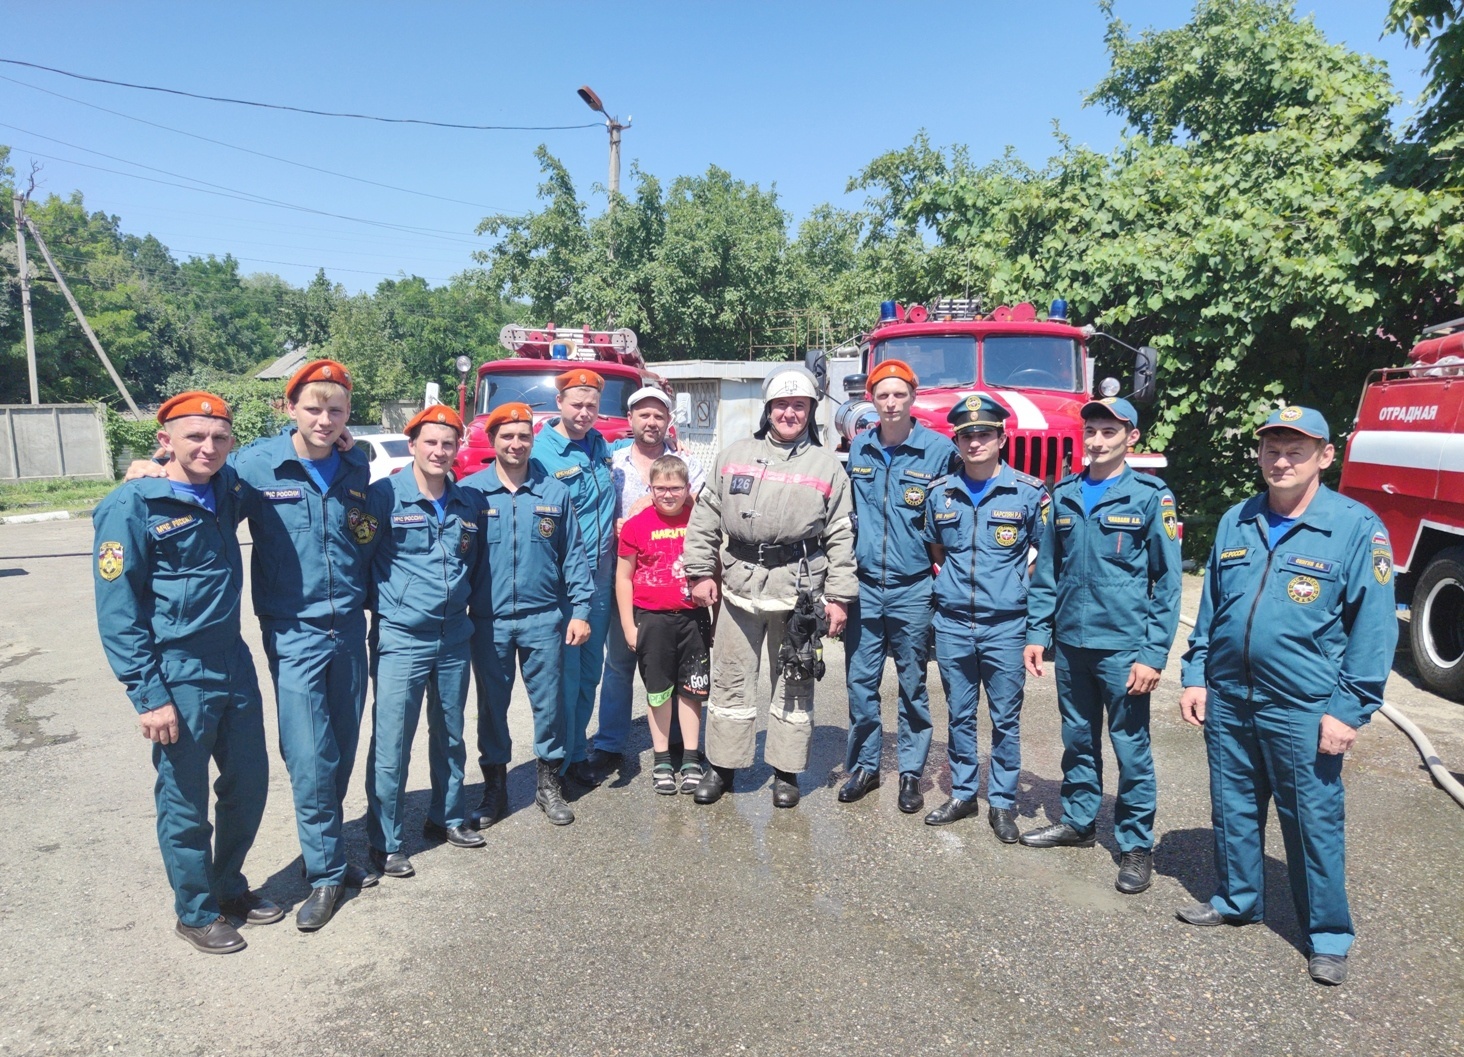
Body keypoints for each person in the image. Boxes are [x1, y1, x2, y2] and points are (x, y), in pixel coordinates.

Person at [1178, 406, 1397, 987]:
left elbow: (1374, 632)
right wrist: (1196, 671)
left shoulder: (1355, 528)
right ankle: (1237, 899)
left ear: (1325, 456)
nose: (1281, 460)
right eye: (1272, 448)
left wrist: (1348, 710)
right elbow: (1213, 611)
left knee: (1314, 823)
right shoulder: (1237, 520)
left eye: (1296, 450)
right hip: (1229, 696)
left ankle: (1327, 936)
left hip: (1304, 706)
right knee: (1234, 807)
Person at [94, 391, 280, 954]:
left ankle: (227, 886)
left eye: (220, 437)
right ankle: (195, 911)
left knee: (249, 785)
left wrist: (348, 447)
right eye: (195, 436)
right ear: (165, 439)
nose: (208, 446)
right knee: (184, 799)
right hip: (176, 671)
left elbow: (285, 458)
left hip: (232, 660)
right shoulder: (132, 505)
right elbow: (117, 611)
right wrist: (149, 695)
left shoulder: (227, 489)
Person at [1020, 397, 1181, 896]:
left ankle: (1135, 844)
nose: (1097, 440)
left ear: (1131, 437)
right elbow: (1046, 571)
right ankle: (1079, 820)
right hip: (1071, 643)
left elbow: (1168, 583)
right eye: (1091, 430)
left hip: (1123, 647)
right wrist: (1036, 633)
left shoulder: (1151, 497)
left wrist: (1153, 655)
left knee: (1131, 749)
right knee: (1078, 740)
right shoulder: (1063, 495)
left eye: (1109, 431)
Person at [682, 363, 857, 807]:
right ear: (768, 410)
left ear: (811, 411)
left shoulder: (827, 467)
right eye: (782, 405)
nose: (789, 413)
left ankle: (786, 771)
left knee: (794, 681)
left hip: (798, 591)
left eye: (799, 406)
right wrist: (700, 572)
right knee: (731, 679)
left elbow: (840, 534)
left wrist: (838, 598)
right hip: (739, 585)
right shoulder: (734, 454)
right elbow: (706, 515)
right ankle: (722, 767)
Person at [460, 403, 594, 827]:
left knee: (550, 706)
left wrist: (581, 610)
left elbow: (574, 555)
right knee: (491, 707)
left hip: (543, 618)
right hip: (488, 620)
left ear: (532, 440)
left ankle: (548, 784)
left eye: (523, 436)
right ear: (493, 440)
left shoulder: (553, 492)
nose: (516, 444)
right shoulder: (472, 493)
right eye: (508, 436)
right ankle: (495, 788)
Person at [364, 404, 483, 879]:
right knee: (392, 742)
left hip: (454, 635)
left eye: (448, 443)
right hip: (402, 637)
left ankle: (447, 816)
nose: (439, 451)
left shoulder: (467, 502)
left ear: (458, 450)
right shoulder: (381, 497)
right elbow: (362, 559)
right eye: (430, 442)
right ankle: (386, 841)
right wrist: (397, 606)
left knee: (451, 735)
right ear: (411, 445)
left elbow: (469, 565)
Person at [921, 394, 1048, 839]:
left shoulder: (1028, 493)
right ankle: (962, 794)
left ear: (1001, 437)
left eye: (985, 434)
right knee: (958, 713)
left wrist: (1015, 582)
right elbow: (937, 549)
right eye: (967, 435)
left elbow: (1047, 557)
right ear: (957, 441)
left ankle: (1001, 802)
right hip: (954, 621)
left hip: (1006, 625)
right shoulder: (941, 494)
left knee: (1005, 718)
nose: (976, 441)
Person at [838, 359, 958, 814]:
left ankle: (910, 771)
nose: (891, 403)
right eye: (882, 395)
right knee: (860, 683)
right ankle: (865, 767)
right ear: (871, 398)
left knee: (912, 683)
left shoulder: (939, 450)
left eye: (899, 394)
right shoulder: (861, 449)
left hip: (912, 587)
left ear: (913, 396)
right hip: (865, 585)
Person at [594, 386, 707, 778]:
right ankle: (609, 744)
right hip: (623, 573)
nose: (651, 422)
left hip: (673, 587)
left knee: (675, 669)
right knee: (621, 662)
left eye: (659, 415)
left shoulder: (688, 465)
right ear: (630, 420)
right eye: (643, 414)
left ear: (668, 421)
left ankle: (679, 745)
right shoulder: (611, 463)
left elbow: (703, 514)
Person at [531, 368, 617, 790]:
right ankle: (556, 764)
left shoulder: (600, 447)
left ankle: (578, 751)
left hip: (599, 580)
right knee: (563, 677)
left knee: (589, 673)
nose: (584, 413)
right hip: (563, 584)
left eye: (592, 406)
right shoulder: (541, 451)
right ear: (559, 403)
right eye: (576, 404)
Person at [616, 455, 712, 795]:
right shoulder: (636, 525)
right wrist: (629, 626)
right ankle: (661, 759)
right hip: (651, 619)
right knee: (659, 692)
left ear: (688, 489)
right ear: (650, 489)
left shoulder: (700, 521)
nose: (668, 495)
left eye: (675, 488)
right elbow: (623, 577)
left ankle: (689, 757)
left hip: (692, 617)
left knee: (692, 690)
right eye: (660, 488)